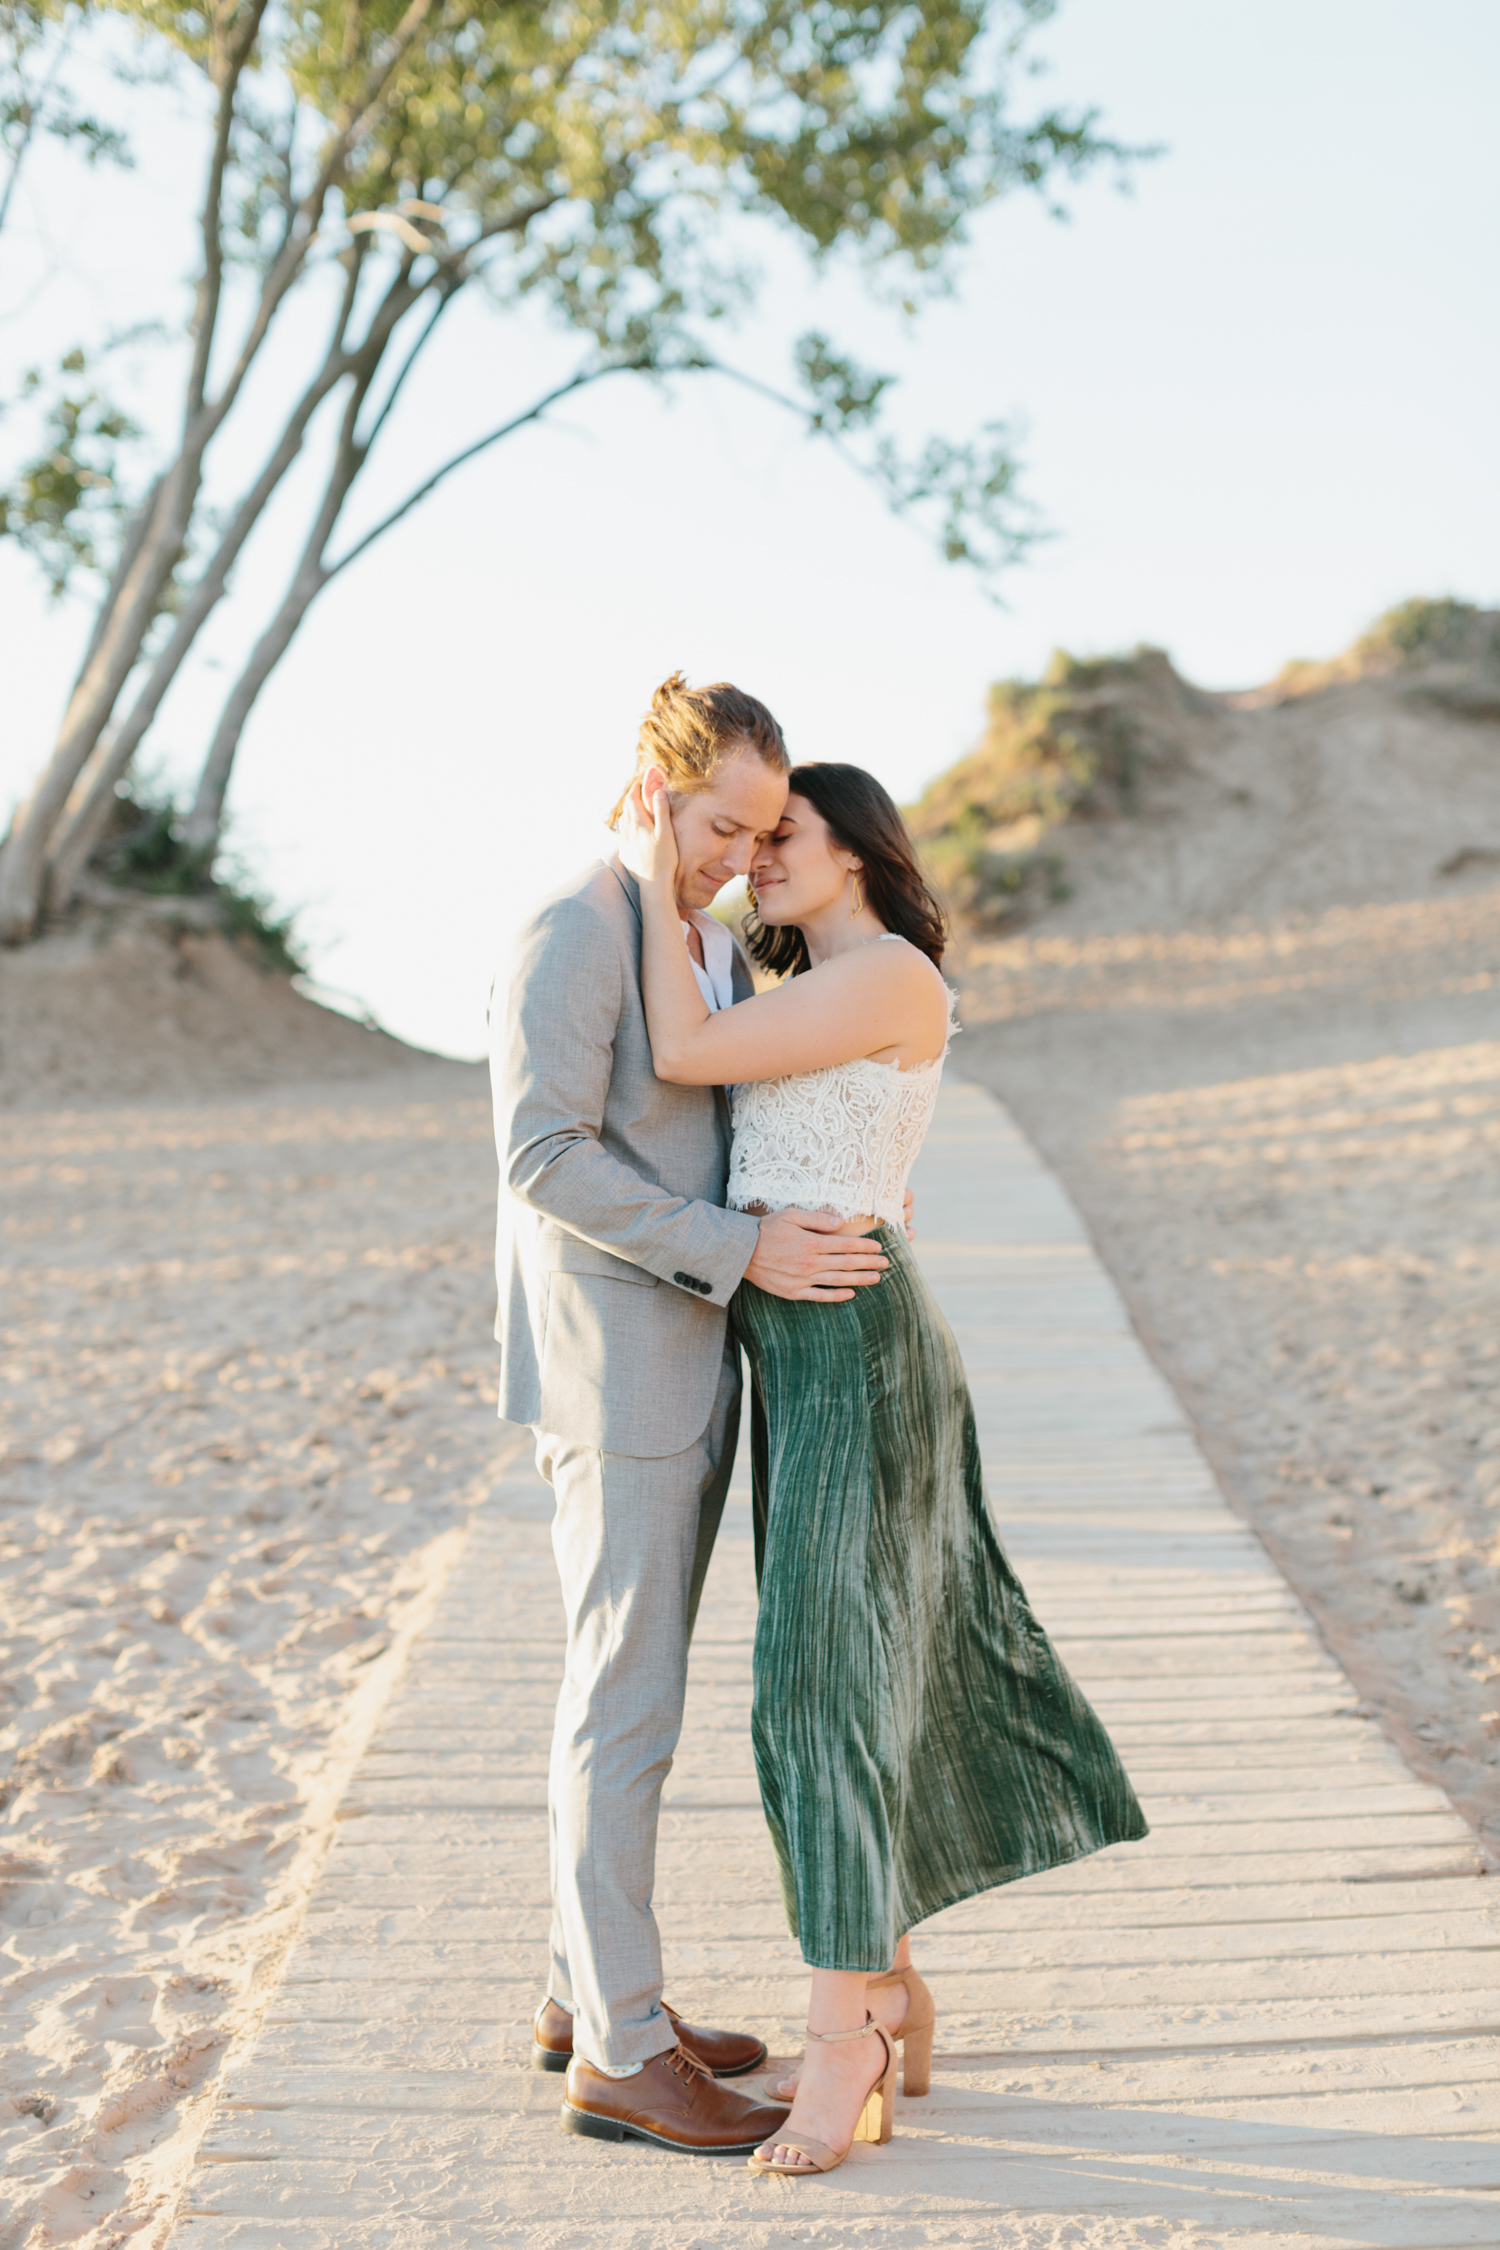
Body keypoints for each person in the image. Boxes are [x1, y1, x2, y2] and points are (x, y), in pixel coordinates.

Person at [617, 758, 1148, 2179]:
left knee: (815, 1683)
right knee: (838, 1673)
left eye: (782, 834)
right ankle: (887, 1981)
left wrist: (643, 863)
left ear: (857, 845)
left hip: (855, 1341)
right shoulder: (802, 985)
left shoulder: (892, 972)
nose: (758, 858)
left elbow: (677, 1053)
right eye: (747, 836)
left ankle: (843, 2029)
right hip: (798, 1348)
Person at [491, 677, 899, 2157]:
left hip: (694, 1360)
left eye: (758, 829)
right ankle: (620, 2050)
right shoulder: (577, 925)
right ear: (652, 786)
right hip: (621, 1370)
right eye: (720, 821)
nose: (738, 854)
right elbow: (541, 1152)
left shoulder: (702, 934)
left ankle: (580, 1994)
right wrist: (740, 1252)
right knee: (628, 1705)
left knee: (629, 1690)